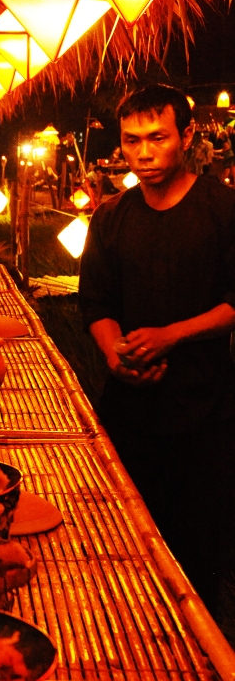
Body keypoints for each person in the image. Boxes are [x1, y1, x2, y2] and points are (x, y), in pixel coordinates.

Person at [78, 83, 235, 615]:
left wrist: (172, 334)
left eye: (158, 138)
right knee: (124, 552)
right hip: (129, 413)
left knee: (196, 555)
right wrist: (112, 353)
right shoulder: (112, 216)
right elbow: (95, 304)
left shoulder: (222, 209)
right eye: (131, 140)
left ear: (186, 136)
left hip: (204, 412)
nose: (143, 153)